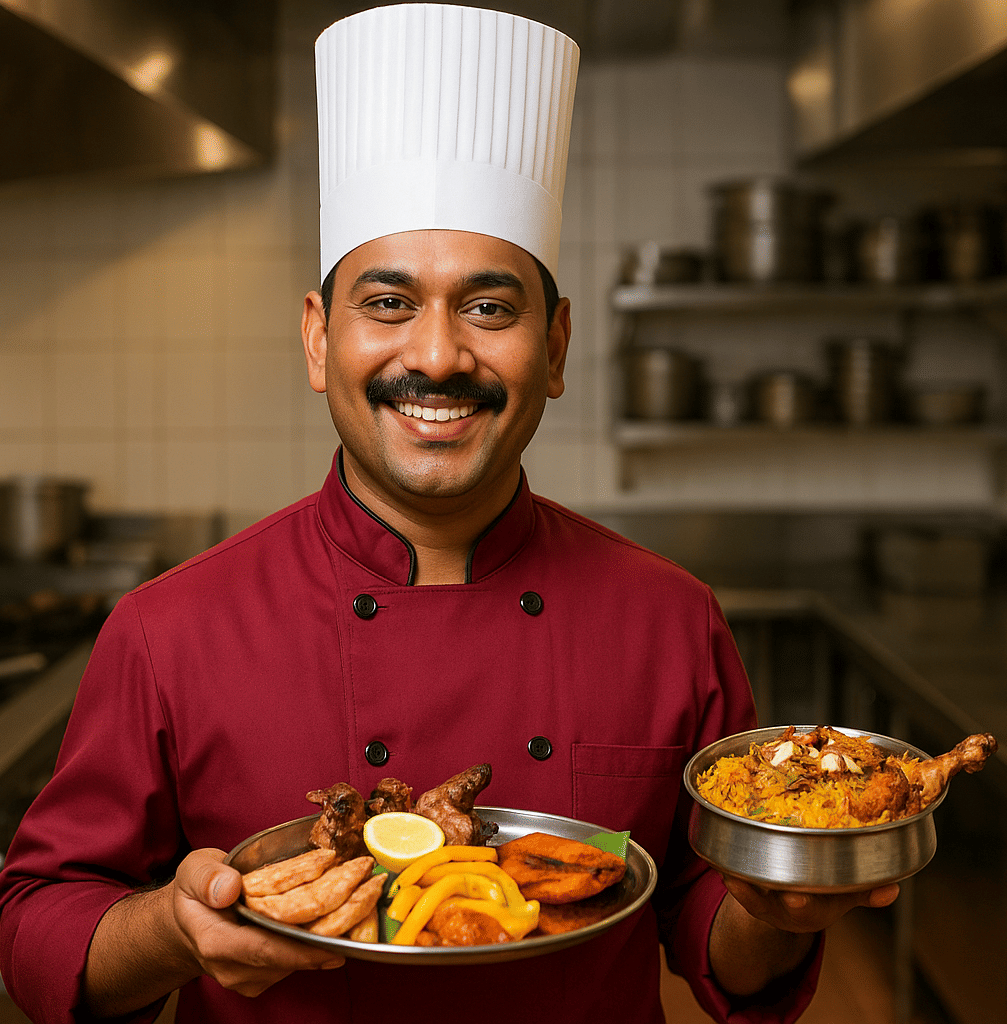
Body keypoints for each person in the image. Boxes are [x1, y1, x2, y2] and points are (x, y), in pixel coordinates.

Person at [0, 6, 899, 1023]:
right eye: (387, 304)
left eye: (488, 307)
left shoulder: (671, 618)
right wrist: (169, 927)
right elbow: (39, 923)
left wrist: (778, 909)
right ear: (315, 340)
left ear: (554, 347)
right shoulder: (167, 631)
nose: (435, 356)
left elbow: (712, 929)